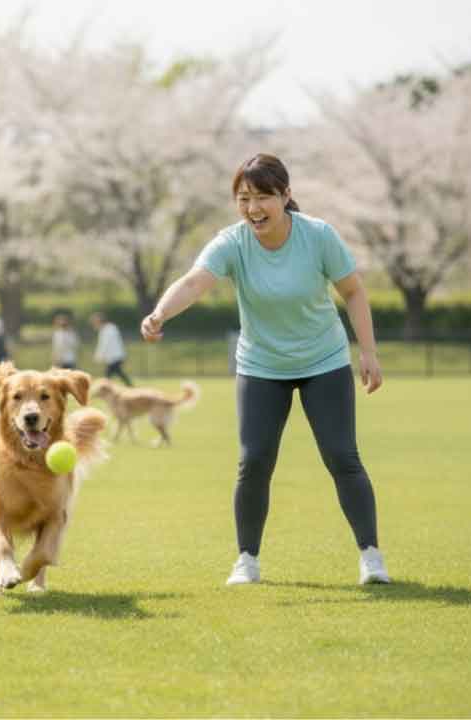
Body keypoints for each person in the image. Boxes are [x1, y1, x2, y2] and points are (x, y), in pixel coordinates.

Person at [140, 153, 389, 587]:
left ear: (286, 195)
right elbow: (196, 281)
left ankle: (370, 556)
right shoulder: (232, 242)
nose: (253, 208)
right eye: (243, 198)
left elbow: (353, 291)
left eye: (263, 197)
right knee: (254, 460)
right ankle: (247, 560)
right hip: (261, 365)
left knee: (341, 456)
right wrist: (160, 314)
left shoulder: (317, 236)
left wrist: (367, 351)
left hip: (323, 360)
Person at [90, 312, 132, 386]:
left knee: (109, 374)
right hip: (114, 357)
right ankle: (130, 386)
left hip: (115, 356)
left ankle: (105, 389)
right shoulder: (107, 329)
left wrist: (99, 356)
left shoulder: (109, 329)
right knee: (117, 373)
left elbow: (105, 344)